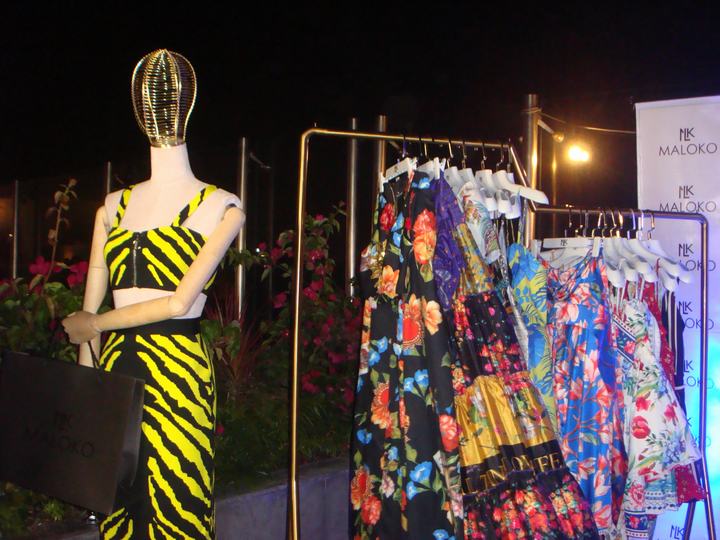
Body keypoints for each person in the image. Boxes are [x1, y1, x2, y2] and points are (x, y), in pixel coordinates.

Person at [62, 49, 243, 540]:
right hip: (117, 368)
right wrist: (87, 387)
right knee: (120, 500)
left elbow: (178, 303)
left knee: (177, 500)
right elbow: (88, 310)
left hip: (177, 369)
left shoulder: (221, 205)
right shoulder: (112, 207)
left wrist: (94, 326)